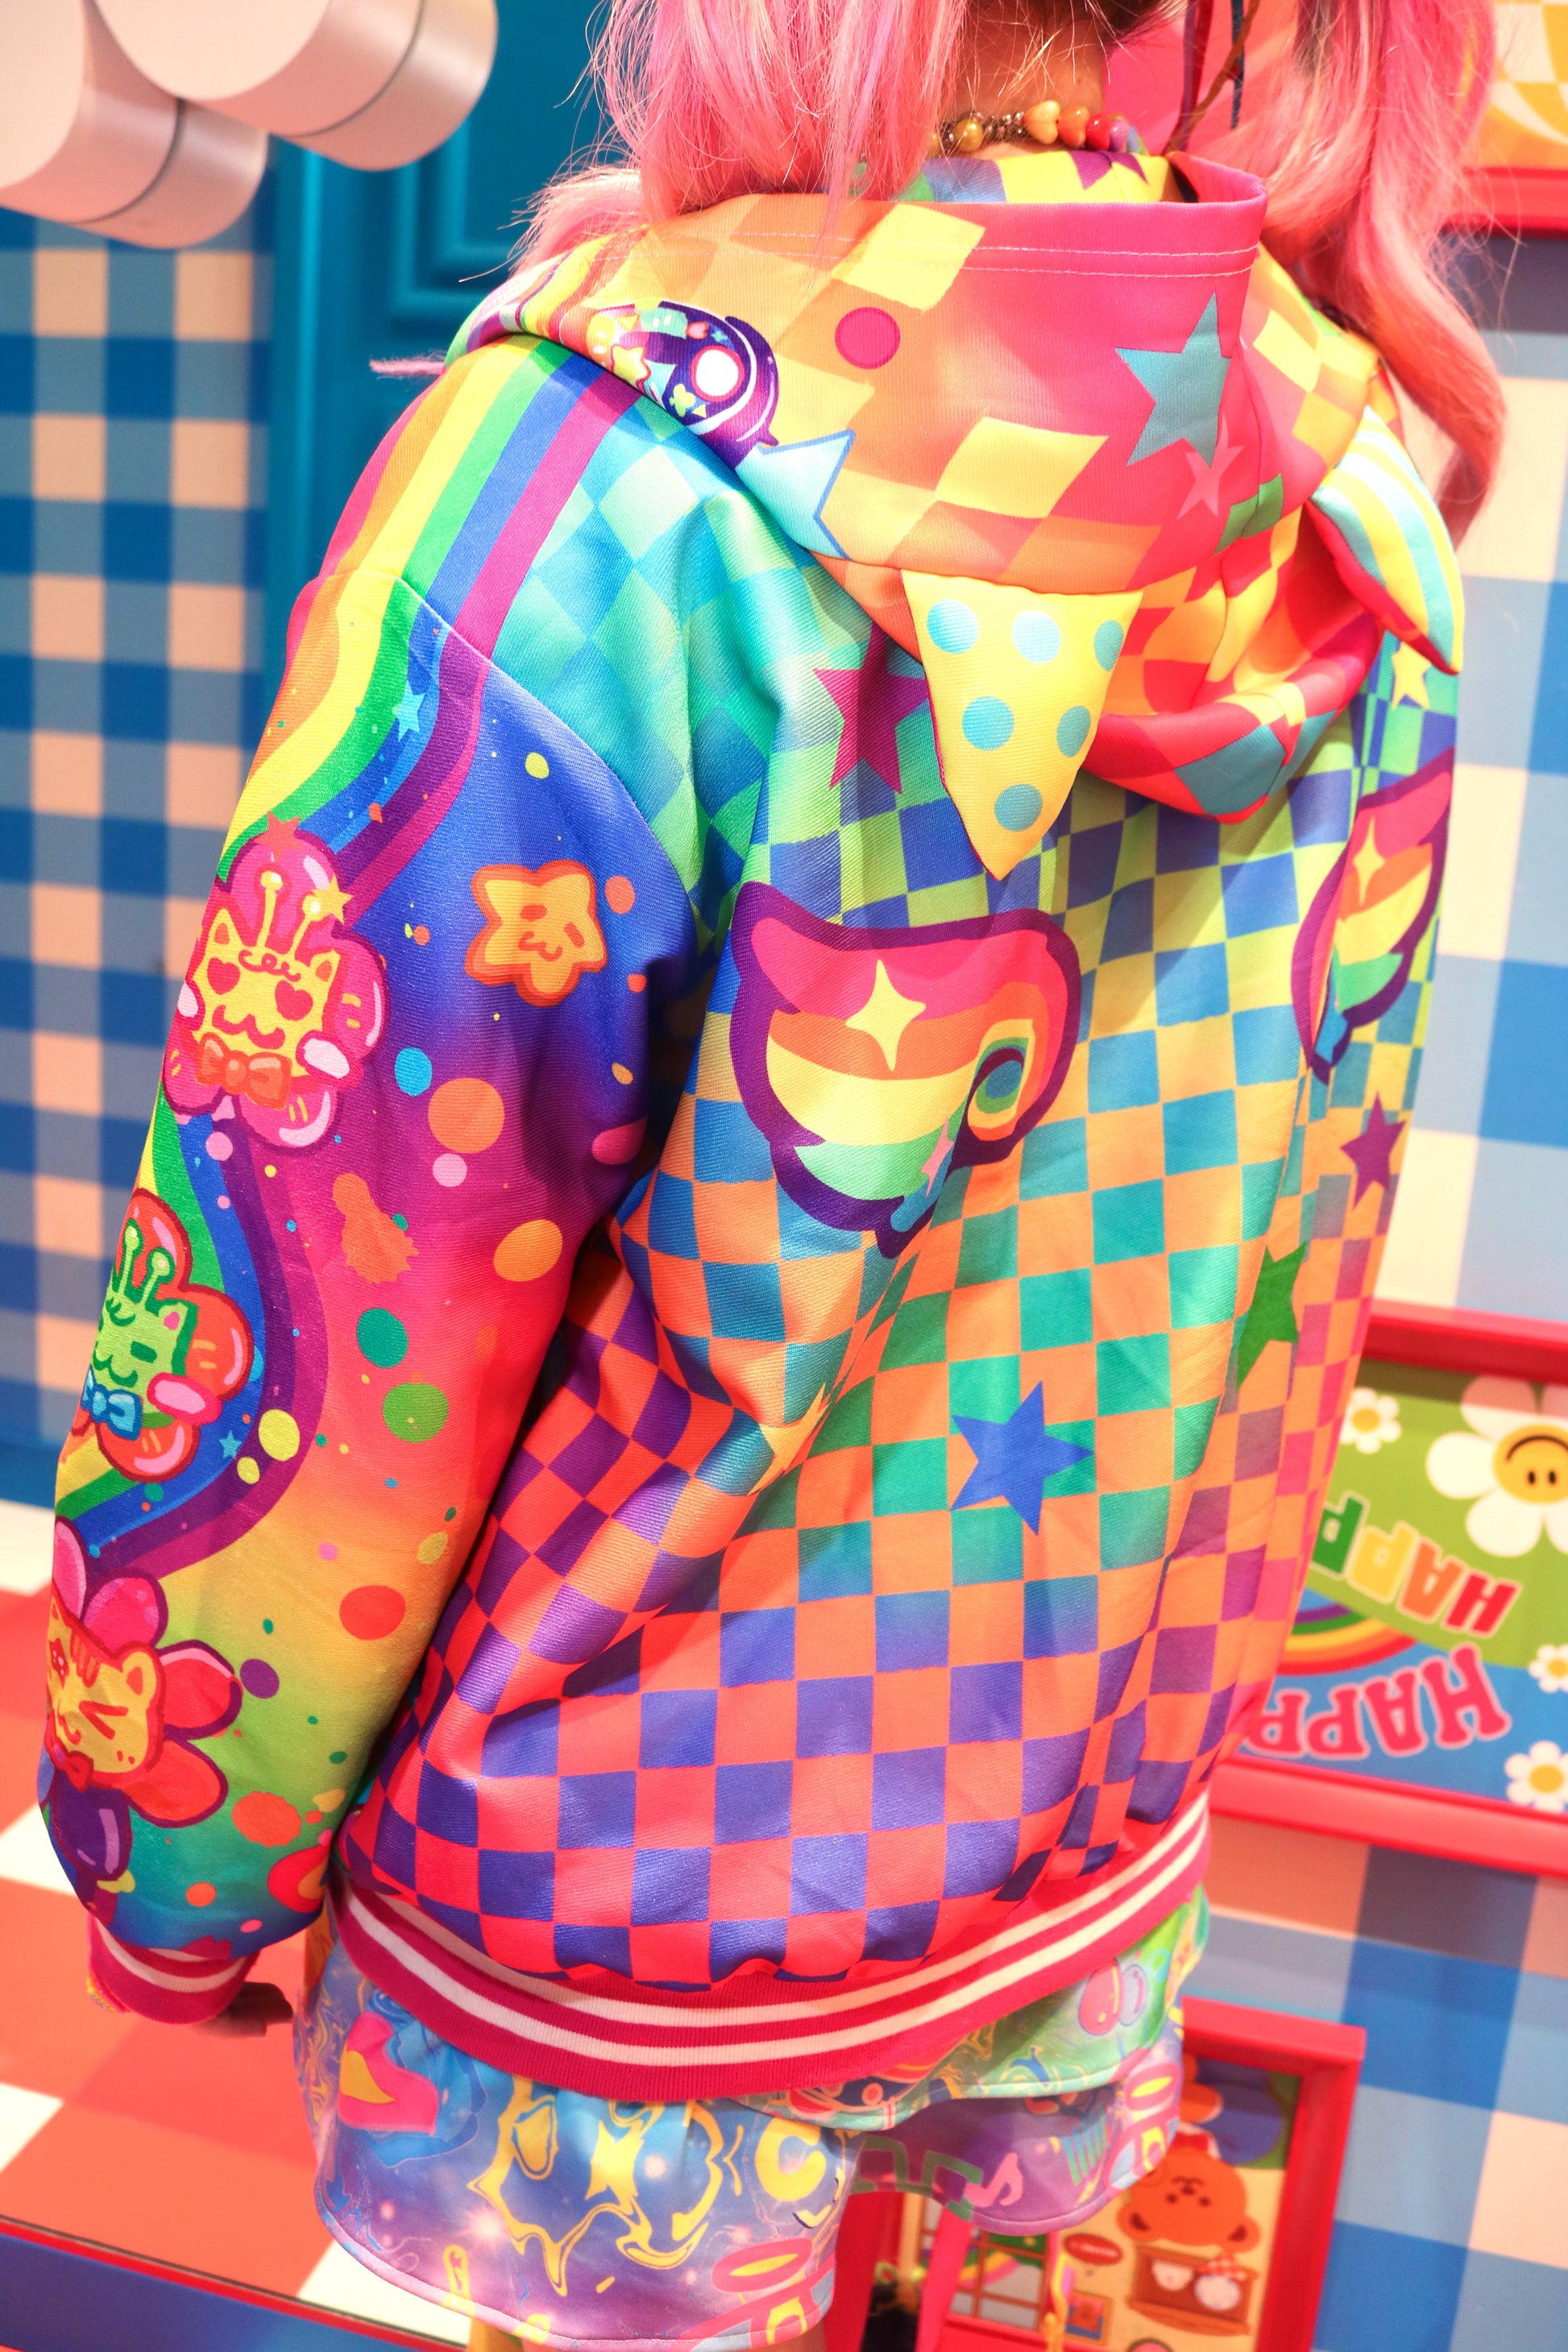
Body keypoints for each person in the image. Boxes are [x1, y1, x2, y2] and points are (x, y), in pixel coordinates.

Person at [41, 0, 1500, 2344]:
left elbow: (316, 1326)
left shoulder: (588, 511)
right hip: (1057, 1814)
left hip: (599, 1900)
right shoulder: (1337, 489)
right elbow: (1285, 1261)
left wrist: (170, 1865)